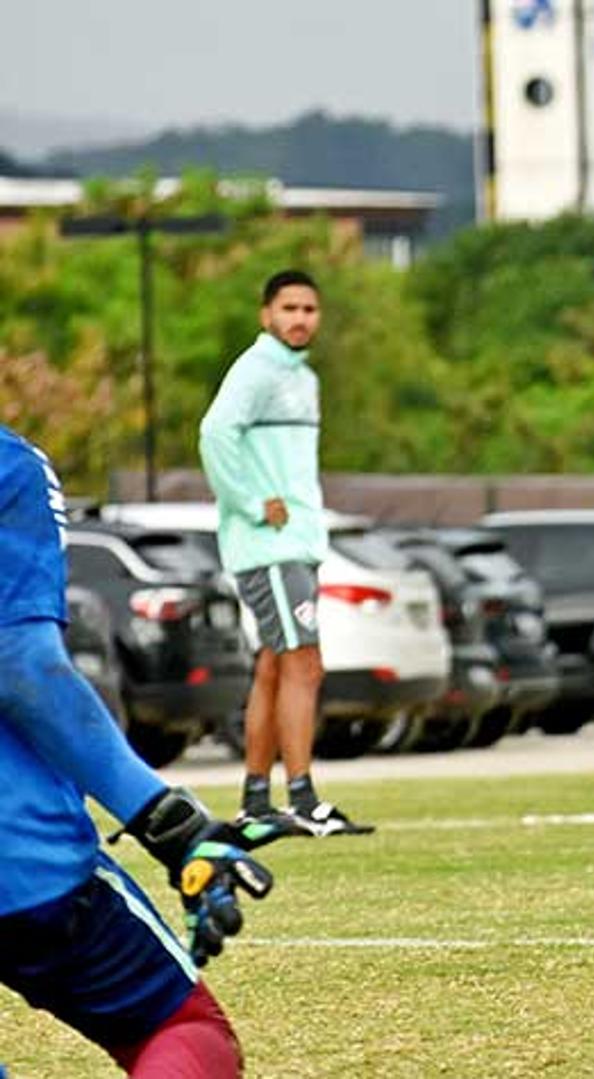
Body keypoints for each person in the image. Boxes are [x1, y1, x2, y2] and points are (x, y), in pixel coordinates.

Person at [0, 424, 280, 1077]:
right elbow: (22, 666)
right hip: (20, 860)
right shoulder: (7, 464)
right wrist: (170, 823)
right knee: (183, 1029)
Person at [199, 270, 369, 836]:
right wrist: (250, 502)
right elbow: (214, 432)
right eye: (288, 307)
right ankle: (303, 799)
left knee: (274, 667)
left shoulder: (303, 378)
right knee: (305, 664)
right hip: (269, 548)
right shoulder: (256, 370)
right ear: (266, 314)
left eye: (309, 309)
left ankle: (255, 802)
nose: (299, 318)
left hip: (298, 544)